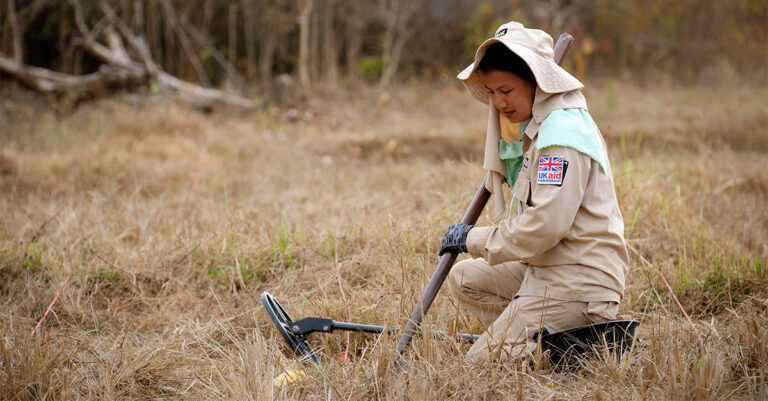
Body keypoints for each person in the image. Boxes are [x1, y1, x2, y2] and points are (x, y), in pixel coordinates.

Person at [438, 21, 629, 363]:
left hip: (579, 279)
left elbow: (544, 227)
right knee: (465, 277)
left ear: (535, 81)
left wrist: (473, 239)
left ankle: (577, 345)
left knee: (480, 363)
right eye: (492, 92)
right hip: (545, 269)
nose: (498, 102)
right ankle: (534, 335)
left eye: (506, 91)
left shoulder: (561, 135)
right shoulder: (537, 127)